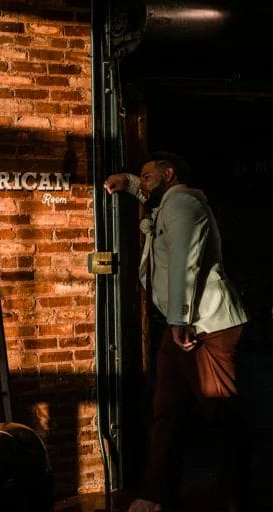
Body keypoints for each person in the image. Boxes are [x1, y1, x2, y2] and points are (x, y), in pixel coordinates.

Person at [103, 151, 248, 512]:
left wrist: (179, 321)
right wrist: (127, 181)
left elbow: (186, 261)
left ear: (169, 174)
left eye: (148, 176)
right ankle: (154, 496)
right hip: (182, 325)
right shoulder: (169, 201)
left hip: (206, 325)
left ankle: (239, 497)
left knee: (220, 415)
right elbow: (148, 196)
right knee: (166, 410)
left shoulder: (182, 204)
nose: (143, 183)